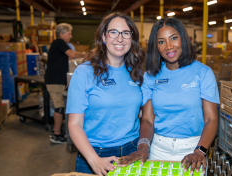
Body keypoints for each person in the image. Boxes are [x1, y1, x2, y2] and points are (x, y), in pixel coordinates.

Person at [119, 18, 220, 175]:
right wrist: (143, 146)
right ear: (156, 46)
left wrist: (200, 151)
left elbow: (211, 119)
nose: (169, 46)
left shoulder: (203, 73)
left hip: (193, 151)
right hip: (158, 149)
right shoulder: (151, 77)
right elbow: (147, 119)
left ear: (183, 39)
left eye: (173, 38)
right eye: (161, 41)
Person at [66, 12, 144, 175]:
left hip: (132, 150)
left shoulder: (135, 72)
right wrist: (94, 160)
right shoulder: (85, 72)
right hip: (96, 153)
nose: (120, 38)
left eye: (125, 33)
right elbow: (74, 124)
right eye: (113, 32)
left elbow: (139, 112)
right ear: (103, 36)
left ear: (132, 39)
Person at [45, 23, 87, 144]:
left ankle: (58, 132)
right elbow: (73, 55)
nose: (71, 36)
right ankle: (56, 134)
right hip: (54, 81)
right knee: (59, 107)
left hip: (57, 80)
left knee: (61, 106)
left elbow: (69, 59)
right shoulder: (59, 42)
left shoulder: (58, 45)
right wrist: (85, 55)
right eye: (69, 33)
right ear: (62, 34)